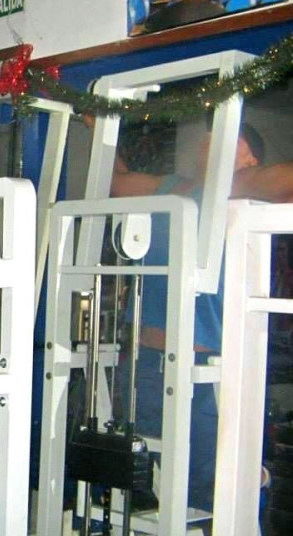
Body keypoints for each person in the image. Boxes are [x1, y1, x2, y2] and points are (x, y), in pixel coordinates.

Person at [109, 120, 293, 517]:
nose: (210, 143)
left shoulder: (244, 186)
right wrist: (96, 122)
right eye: (208, 139)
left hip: (207, 367)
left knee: (212, 484)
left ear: (251, 160)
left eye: (229, 139)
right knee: (149, 479)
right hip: (146, 361)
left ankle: (252, 493)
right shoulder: (172, 187)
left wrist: (239, 173)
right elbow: (117, 182)